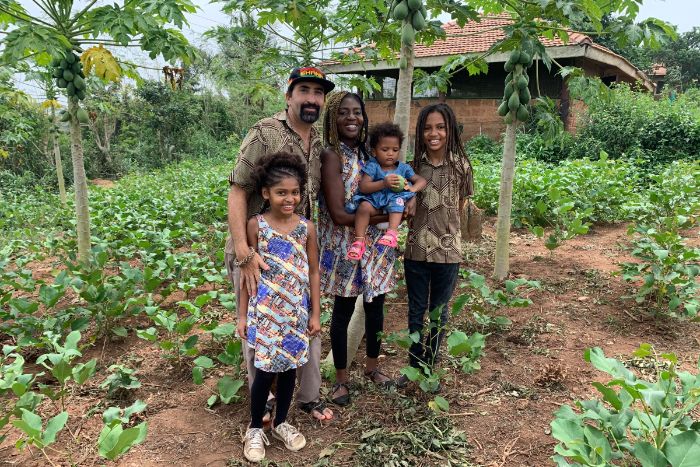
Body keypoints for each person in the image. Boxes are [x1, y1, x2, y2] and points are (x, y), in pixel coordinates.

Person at [225, 66, 334, 424]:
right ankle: (265, 402)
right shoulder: (264, 132)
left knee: (304, 323)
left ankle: (305, 397)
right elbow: (238, 189)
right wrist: (243, 250)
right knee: (259, 329)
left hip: (296, 255)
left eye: (318, 93)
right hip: (258, 252)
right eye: (304, 91)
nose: (311, 99)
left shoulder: (317, 142)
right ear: (288, 96)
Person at [318, 91, 415, 406]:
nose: (351, 118)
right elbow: (339, 214)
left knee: (376, 308)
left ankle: (373, 367)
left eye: (357, 112)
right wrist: (393, 214)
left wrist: (405, 199)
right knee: (344, 311)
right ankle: (341, 380)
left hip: (379, 246)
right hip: (347, 244)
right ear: (332, 117)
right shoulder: (330, 155)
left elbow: (399, 182)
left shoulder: (371, 153)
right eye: (344, 112)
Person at [237, 152, 320, 462]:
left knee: (288, 373)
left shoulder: (306, 228)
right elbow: (249, 274)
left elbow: (313, 271)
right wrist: (243, 314)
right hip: (265, 312)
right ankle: (255, 427)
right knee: (262, 372)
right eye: (282, 192)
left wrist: (314, 312)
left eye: (295, 192)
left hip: (296, 314)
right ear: (265, 194)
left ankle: (282, 422)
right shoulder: (255, 225)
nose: (290, 198)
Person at [397, 103, 474, 390]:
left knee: (439, 312)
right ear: (420, 131)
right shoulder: (412, 168)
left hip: (448, 251)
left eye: (440, 127)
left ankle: (430, 368)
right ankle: (413, 366)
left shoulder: (461, 166)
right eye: (428, 127)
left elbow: (461, 203)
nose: (434, 133)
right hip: (416, 250)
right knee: (416, 311)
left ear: (450, 130)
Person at [345, 123, 426, 260]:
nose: (390, 154)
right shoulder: (373, 166)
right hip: (375, 202)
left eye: (395, 150)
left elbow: (421, 181)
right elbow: (364, 187)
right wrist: (384, 183)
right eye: (385, 149)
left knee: (398, 201)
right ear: (374, 151)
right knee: (363, 207)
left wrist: (412, 189)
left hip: (393, 202)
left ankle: (392, 233)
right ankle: (359, 241)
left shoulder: (403, 168)